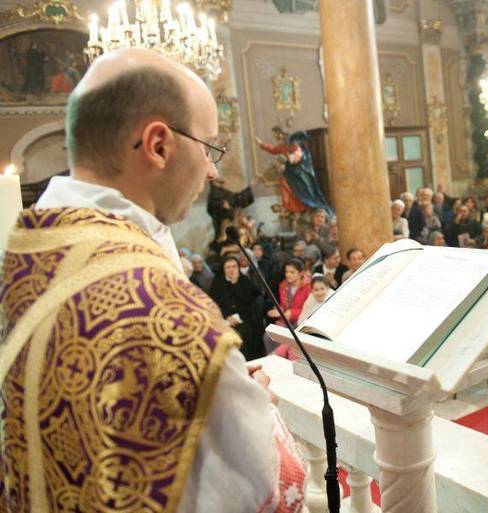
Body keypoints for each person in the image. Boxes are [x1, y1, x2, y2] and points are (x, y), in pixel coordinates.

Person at [0, 49, 306, 512]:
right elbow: (276, 485)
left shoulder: (25, 256)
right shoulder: (168, 314)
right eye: (209, 148)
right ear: (159, 145)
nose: (213, 170)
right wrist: (253, 405)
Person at [209, 255, 265, 360]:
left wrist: (236, 283)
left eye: (234, 266)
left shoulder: (244, 280)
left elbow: (252, 299)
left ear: (238, 267)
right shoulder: (217, 283)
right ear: (223, 269)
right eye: (228, 267)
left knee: (249, 333)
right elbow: (213, 305)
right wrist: (227, 318)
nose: (231, 270)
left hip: (245, 317)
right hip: (225, 318)